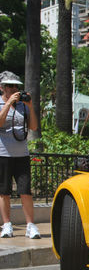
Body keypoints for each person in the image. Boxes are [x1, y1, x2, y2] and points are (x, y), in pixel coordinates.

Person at [0, 71, 40, 239]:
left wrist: (30, 106)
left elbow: (33, 127)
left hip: (21, 154)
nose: (14, 88)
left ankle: (31, 225)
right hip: (3, 154)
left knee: (25, 191)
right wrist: (8, 103)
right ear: (2, 88)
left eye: (16, 86)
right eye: (10, 86)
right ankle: (7, 224)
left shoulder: (23, 106)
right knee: (4, 192)